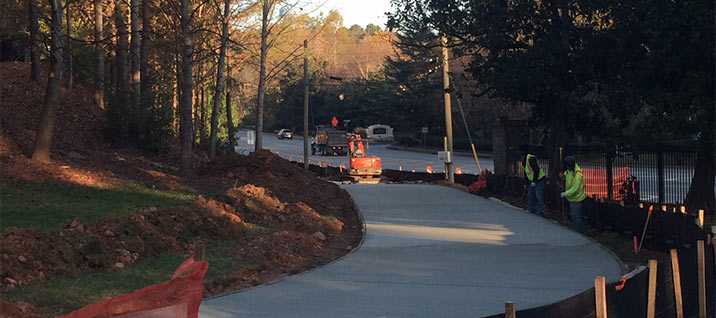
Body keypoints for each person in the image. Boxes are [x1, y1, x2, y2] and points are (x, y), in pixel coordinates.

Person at [561, 156, 586, 233]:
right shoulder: (569, 170)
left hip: (577, 198)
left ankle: (578, 233)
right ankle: (576, 231)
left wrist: (566, 193)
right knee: (573, 216)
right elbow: (567, 175)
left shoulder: (578, 175)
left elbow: (575, 188)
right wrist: (563, 176)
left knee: (576, 217)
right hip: (571, 198)